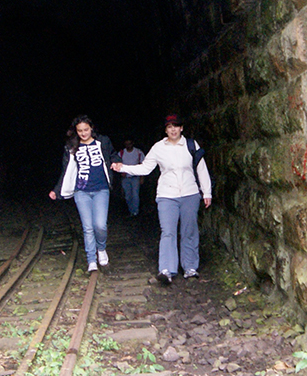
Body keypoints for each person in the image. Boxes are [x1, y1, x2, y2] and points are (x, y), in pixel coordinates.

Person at [111, 114, 211, 285]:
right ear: (165, 130)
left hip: (190, 193)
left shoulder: (191, 145)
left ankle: (190, 267)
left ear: (181, 128)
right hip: (167, 194)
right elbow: (145, 168)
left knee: (189, 230)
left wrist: (206, 192)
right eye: (169, 127)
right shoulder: (158, 148)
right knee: (168, 231)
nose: (173, 130)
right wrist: (123, 168)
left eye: (176, 126)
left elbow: (201, 168)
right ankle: (166, 269)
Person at [49, 115, 119, 273]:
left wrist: (117, 162)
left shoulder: (103, 141)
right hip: (81, 191)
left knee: (100, 225)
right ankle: (91, 260)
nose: (83, 133)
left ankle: (101, 249)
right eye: (80, 130)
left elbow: (113, 154)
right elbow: (66, 170)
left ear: (91, 128)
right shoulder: (71, 146)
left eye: (86, 129)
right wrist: (57, 190)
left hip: (101, 189)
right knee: (87, 227)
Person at [119, 139, 145, 216]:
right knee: (127, 196)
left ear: (132, 143)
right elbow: (117, 163)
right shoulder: (121, 153)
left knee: (135, 195)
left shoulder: (138, 152)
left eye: (129, 144)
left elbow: (143, 165)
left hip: (135, 177)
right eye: (126, 144)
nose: (128, 146)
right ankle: (131, 211)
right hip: (125, 177)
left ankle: (135, 212)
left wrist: (142, 177)